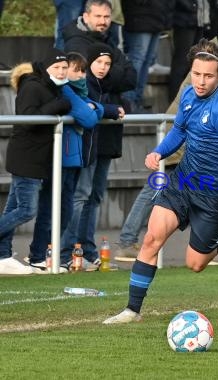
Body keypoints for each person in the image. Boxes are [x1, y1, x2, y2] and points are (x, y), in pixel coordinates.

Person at [103, 39, 218, 324]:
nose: (200, 81)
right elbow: (179, 131)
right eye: (196, 74)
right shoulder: (187, 94)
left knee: (194, 264)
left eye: (208, 76)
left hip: (216, 194)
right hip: (184, 181)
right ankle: (132, 310)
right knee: (151, 238)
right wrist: (159, 151)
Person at [114, 24, 218, 261]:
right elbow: (204, 111)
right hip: (187, 137)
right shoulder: (209, 66)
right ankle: (127, 241)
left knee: (161, 187)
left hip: (202, 139)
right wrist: (161, 151)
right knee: (156, 187)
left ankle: (206, 239)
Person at [27, 52, 104, 273]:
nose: (79, 75)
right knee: (49, 208)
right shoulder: (66, 90)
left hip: (71, 159)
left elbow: (93, 107)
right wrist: (93, 109)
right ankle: (39, 255)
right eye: (74, 70)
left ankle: (48, 255)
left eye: (82, 70)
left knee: (63, 210)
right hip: (59, 159)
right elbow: (88, 118)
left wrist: (94, 108)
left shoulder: (76, 90)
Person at [0, 49, 72, 275]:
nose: (61, 72)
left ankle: (2, 256)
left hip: (35, 157)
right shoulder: (32, 86)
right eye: (56, 67)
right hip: (26, 157)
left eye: (64, 67)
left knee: (13, 207)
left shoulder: (49, 87)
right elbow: (29, 119)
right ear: (46, 68)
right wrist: (59, 106)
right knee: (26, 210)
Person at [59, 43, 127, 268]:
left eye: (107, 63)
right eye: (99, 62)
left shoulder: (109, 84)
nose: (103, 67)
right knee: (80, 197)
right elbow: (87, 110)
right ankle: (65, 252)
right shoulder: (81, 84)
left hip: (102, 147)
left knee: (93, 198)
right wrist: (108, 109)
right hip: (84, 149)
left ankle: (86, 250)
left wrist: (107, 108)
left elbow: (122, 100)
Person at [121, 0, 175, 113]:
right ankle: (128, 102)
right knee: (137, 60)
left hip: (157, 17)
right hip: (139, 16)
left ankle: (137, 101)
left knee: (146, 61)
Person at [168, 0, 210, 101]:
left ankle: (190, 99)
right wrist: (191, 5)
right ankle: (175, 101)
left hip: (200, 20)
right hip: (184, 21)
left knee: (194, 63)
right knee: (181, 62)